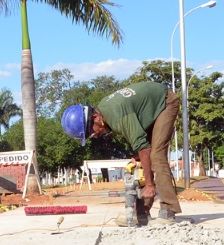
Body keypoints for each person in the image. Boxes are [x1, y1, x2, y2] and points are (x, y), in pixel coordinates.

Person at [61, 81, 180, 225]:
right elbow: (141, 147)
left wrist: (149, 184)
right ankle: (141, 213)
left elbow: (144, 149)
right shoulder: (105, 112)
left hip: (164, 102)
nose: (95, 136)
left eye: (92, 132)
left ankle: (168, 211)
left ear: (95, 118)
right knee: (142, 159)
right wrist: (140, 155)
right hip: (149, 107)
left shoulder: (117, 118)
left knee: (156, 155)